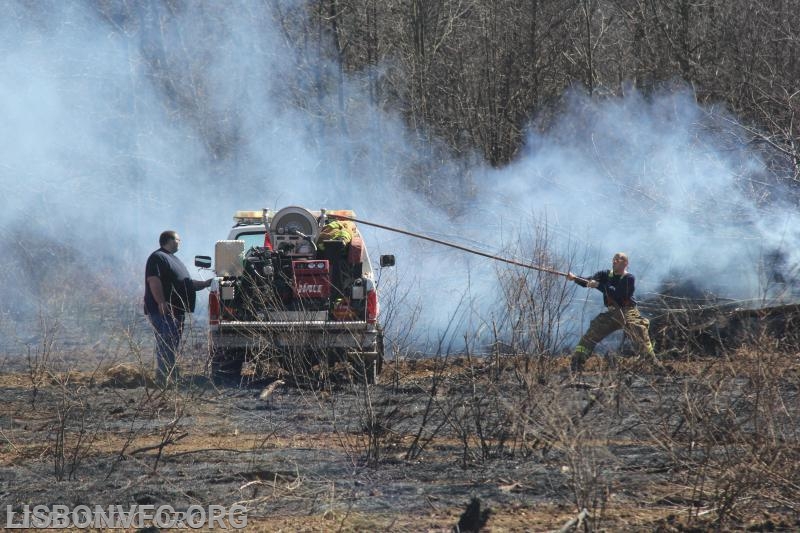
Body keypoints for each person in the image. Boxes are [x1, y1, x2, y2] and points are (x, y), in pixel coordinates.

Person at [567, 252, 656, 372]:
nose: (615, 261)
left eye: (619, 259)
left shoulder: (629, 278)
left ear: (625, 264)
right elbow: (588, 280)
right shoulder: (604, 274)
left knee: (638, 330)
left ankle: (653, 363)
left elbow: (618, 295)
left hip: (628, 311)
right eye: (614, 259)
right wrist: (575, 278)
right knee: (594, 331)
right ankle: (577, 362)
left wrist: (598, 285)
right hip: (612, 312)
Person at [144, 230, 212, 384]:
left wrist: (206, 283)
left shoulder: (174, 259)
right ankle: (163, 378)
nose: (180, 242)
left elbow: (186, 283)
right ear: (168, 240)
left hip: (177, 310)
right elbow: (154, 280)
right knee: (166, 342)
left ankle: (170, 375)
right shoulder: (158, 257)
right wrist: (161, 302)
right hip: (165, 310)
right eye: (178, 239)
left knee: (171, 343)